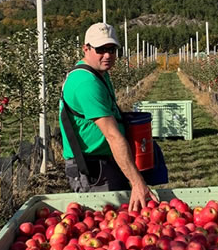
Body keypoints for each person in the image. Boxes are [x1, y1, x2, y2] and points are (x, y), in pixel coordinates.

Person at [59, 22, 156, 211]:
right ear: (86, 49)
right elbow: (112, 135)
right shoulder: (86, 83)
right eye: (101, 49)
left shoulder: (99, 74)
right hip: (94, 169)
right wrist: (137, 182)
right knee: (104, 224)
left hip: (106, 161)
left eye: (112, 49)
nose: (108, 55)